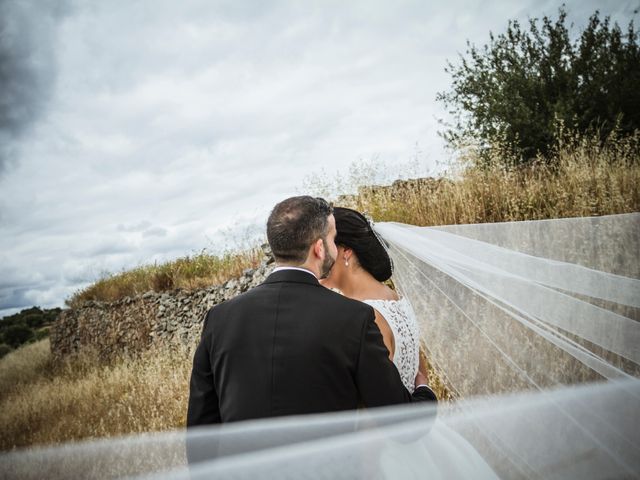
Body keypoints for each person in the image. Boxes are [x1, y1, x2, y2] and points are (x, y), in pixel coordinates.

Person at [187, 196, 436, 430]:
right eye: (332, 238)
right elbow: (401, 423)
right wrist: (423, 389)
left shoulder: (219, 319)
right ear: (319, 248)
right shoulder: (355, 318)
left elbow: (201, 431)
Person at [320, 207, 425, 390]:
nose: (318, 257)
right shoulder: (395, 298)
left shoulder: (366, 316)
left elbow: (375, 404)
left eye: (323, 247)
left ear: (346, 251)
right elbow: (422, 374)